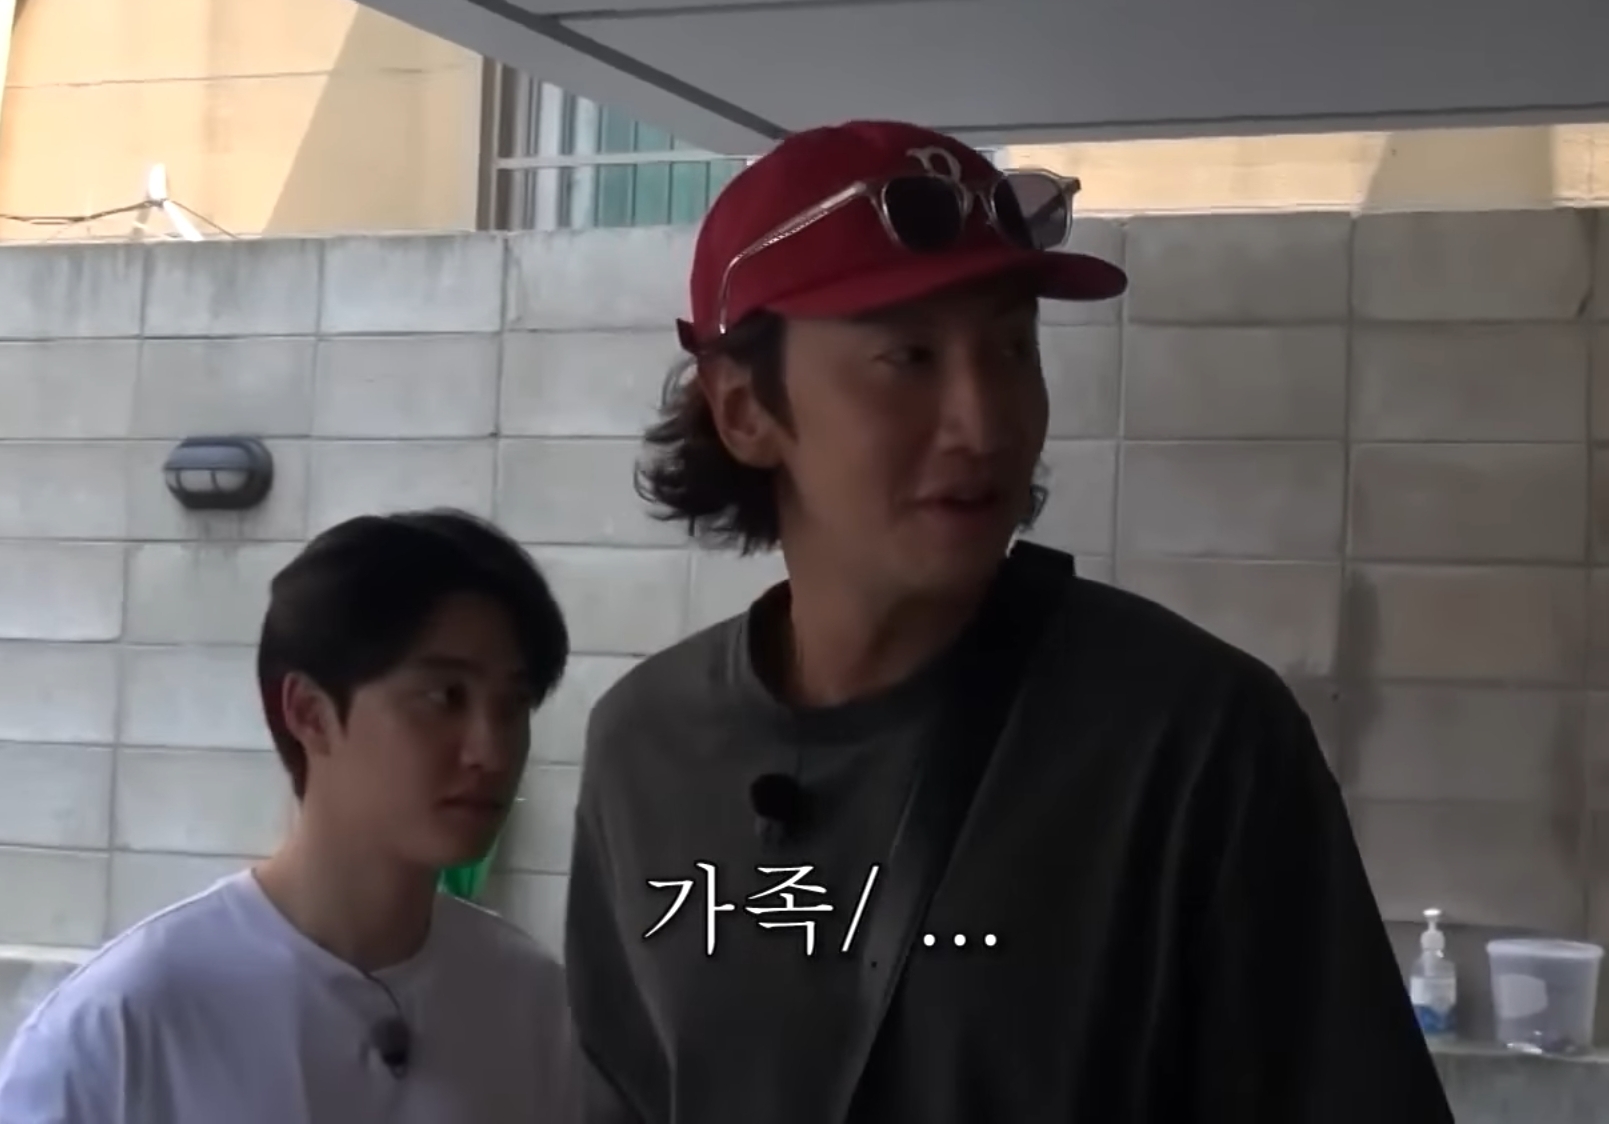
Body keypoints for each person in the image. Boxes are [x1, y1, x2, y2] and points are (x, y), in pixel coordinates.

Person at [563, 119, 1454, 1124]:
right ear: (743, 410)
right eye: (907, 356)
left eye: (1010, 349)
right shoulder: (645, 747)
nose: (984, 421)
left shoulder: (1192, 741)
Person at [0, 509, 586, 1124]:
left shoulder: (530, 1002)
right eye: (444, 698)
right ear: (308, 712)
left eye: (513, 705)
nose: (490, 750)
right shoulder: (124, 1026)